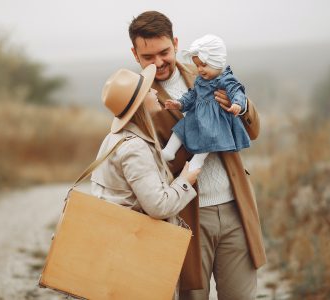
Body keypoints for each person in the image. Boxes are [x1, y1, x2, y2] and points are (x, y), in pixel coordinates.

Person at [128, 11, 267, 300]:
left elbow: (252, 132)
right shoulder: (135, 98)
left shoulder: (209, 71)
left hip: (235, 210)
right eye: (148, 57)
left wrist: (240, 105)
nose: (158, 62)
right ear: (134, 54)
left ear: (176, 43)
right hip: (184, 218)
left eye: (164, 52)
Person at [90, 65, 200, 299]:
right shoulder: (134, 147)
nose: (155, 93)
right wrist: (184, 181)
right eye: (149, 90)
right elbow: (158, 206)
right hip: (135, 252)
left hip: (115, 247)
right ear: (140, 103)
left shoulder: (114, 139)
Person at [162, 34, 251, 172]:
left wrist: (238, 104)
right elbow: (193, 95)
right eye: (197, 65)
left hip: (214, 119)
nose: (200, 69)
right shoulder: (200, 80)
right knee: (180, 129)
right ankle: (169, 150)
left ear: (217, 62)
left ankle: (197, 161)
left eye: (203, 65)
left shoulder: (225, 79)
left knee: (208, 137)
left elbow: (236, 91)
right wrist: (179, 104)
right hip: (196, 116)